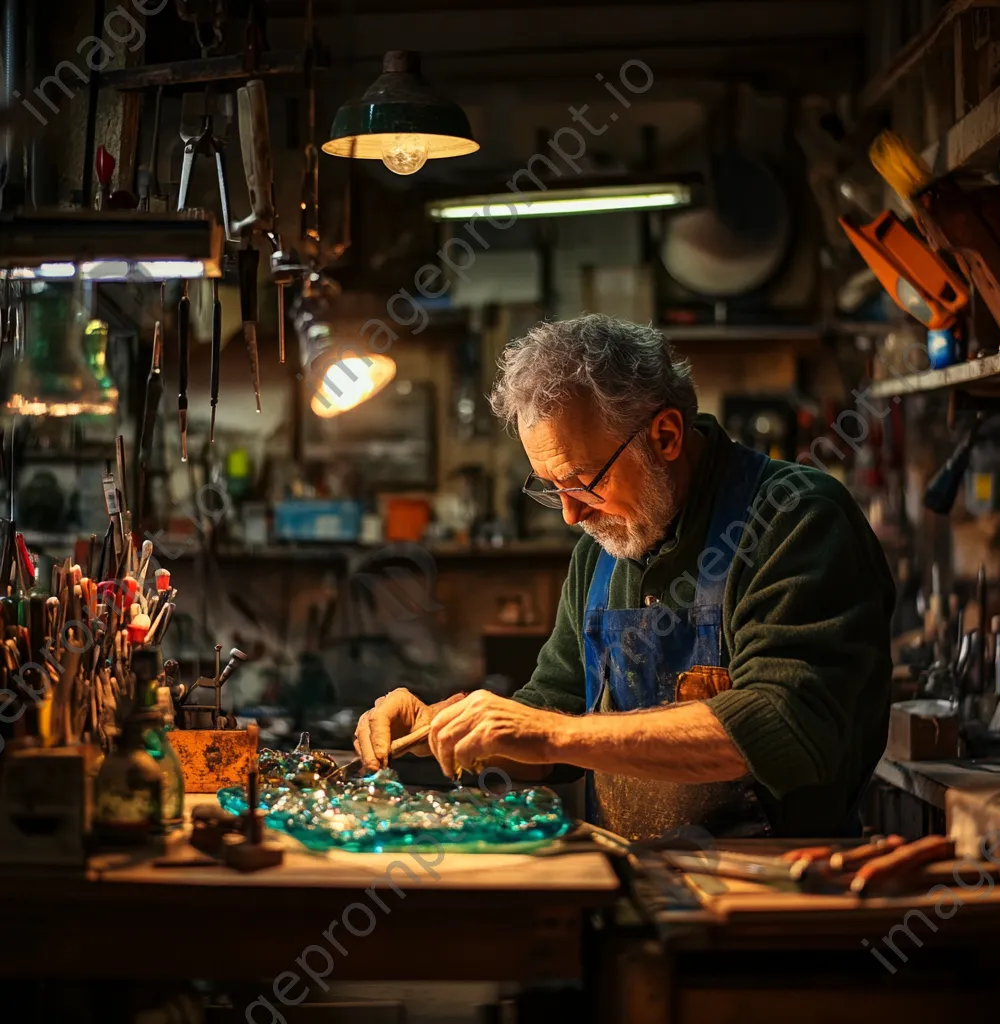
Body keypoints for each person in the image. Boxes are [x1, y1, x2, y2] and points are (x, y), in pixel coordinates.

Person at [354, 314, 894, 839]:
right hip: (636, 880)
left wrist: (551, 734)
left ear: (664, 436)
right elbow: (554, 708)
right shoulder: (606, 546)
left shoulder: (794, 518)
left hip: (778, 894)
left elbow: (783, 723)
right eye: (549, 487)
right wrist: (442, 729)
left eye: (583, 482)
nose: (570, 515)